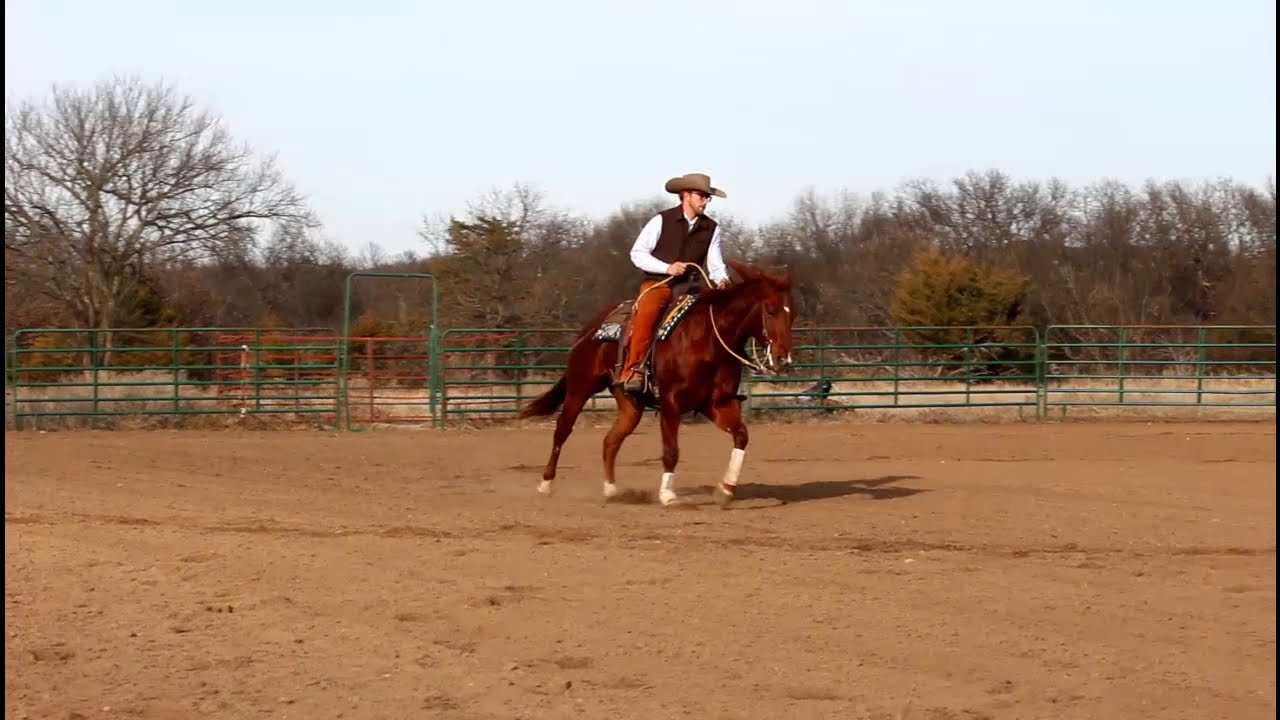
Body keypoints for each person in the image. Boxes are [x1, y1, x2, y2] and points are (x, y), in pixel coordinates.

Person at [618, 172, 732, 393]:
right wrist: (667, 268)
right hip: (658, 283)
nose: (706, 201)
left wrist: (722, 279)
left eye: (708, 197)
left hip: (691, 287)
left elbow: (715, 263)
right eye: (702, 196)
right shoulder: (661, 220)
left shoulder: (712, 228)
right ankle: (633, 370)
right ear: (686, 195)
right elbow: (638, 253)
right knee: (647, 313)